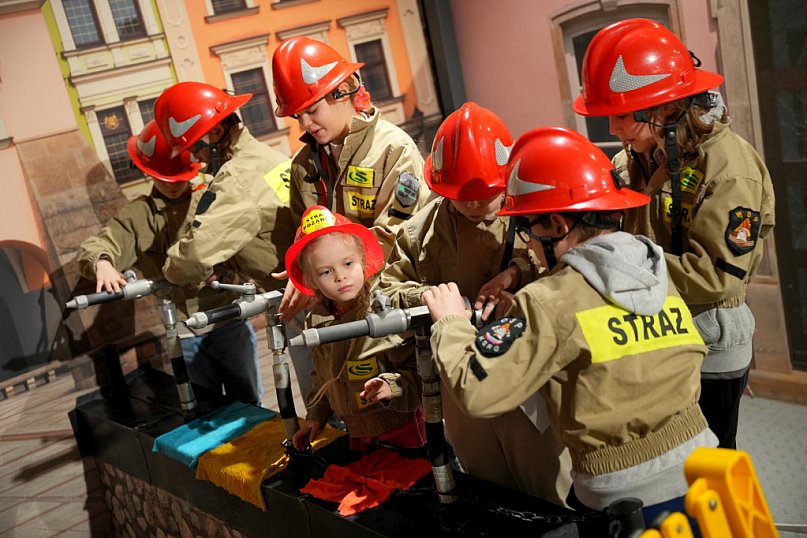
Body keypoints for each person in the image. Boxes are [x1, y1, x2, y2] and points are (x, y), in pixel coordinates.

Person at [422, 126, 717, 526]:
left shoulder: (549, 300)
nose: (527, 244)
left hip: (625, 498)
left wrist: (452, 324)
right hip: (705, 473)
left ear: (558, 226)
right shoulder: (656, 271)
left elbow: (478, 392)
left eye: (528, 229)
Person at [572, 18, 776, 449]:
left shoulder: (728, 170)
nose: (611, 129)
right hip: (657, 333)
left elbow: (718, 277)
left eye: (621, 115)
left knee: (709, 470)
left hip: (709, 343)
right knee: (665, 468)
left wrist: (621, 268)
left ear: (664, 109)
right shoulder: (641, 157)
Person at [378, 102, 571, 505]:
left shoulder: (533, 216)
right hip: (458, 379)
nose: (474, 204)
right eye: (461, 195)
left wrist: (518, 272)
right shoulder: (420, 232)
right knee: (488, 493)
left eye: (485, 194)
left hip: (528, 376)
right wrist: (436, 298)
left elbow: (568, 270)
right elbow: (385, 292)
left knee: (551, 493)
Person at [77, 120, 262, 404]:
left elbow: (246, 241)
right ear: (148, 173)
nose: (171, 185)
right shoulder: (139, 215)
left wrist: (231, 267)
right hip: (185, 333)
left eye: (178, 178)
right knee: (204, 407)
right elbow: (100, 244)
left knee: (250, 402)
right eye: (163, 178)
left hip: (229, 322)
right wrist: (102, 262)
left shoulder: (212, 198)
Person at [287, 206, 424, 453]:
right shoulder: (316, 319)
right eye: (325, 272)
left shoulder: (385, 307)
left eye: (348, 263)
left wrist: (390, 386)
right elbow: (322, 377)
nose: (341, 277)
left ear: (363, 260)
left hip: (402, 427)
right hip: (356, 432)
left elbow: (420, 370)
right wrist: (315, 416)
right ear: (310, 280)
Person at [153, 81, 296, 291]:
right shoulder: (264, 155)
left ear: (216, 133)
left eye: (195, 149)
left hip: (298, 295)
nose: (198, 159)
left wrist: (171, 270)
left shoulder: (236, 179)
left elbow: (194, 258)